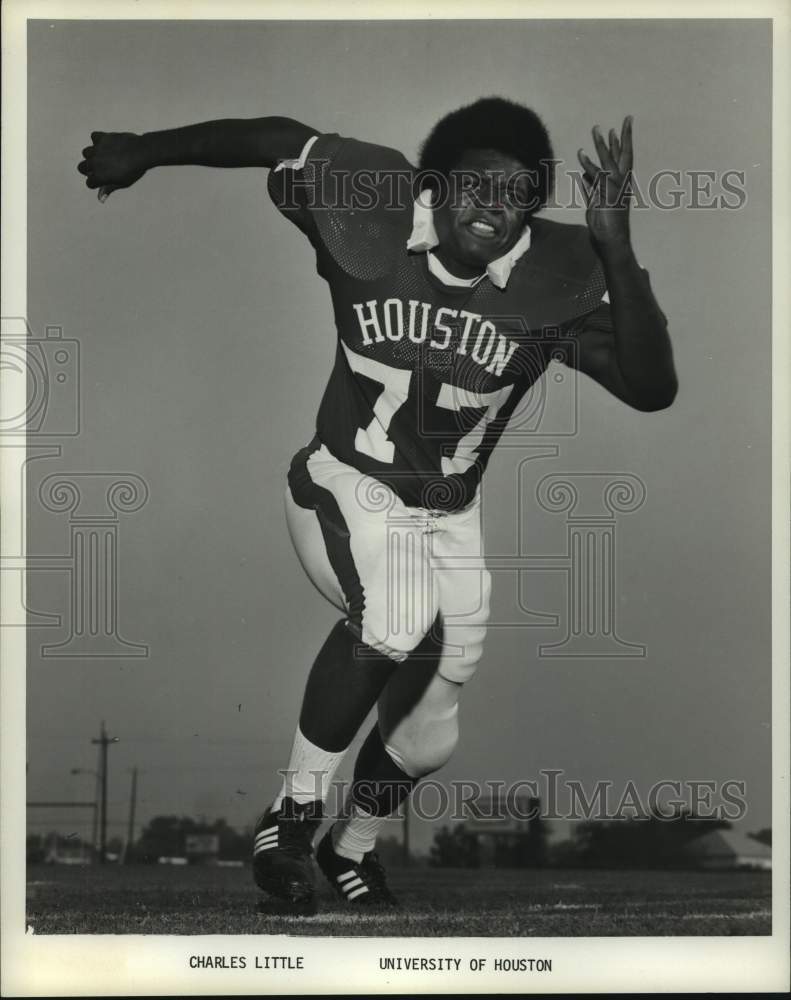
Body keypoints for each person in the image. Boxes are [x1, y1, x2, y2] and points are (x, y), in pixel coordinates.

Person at [78, 97, 677, 910]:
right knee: (397, 614)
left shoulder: (549, 281)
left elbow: (650, 388)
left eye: (515, 193)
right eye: (473, 187)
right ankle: (289, 819)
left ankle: (349, 847)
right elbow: (277, 140)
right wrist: (146, 145)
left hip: (447, 513)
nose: (491, 208)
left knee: (432, 730)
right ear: (430, 188)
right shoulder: (373, 213)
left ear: (535, 208)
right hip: (342, 480)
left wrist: (616, 252)